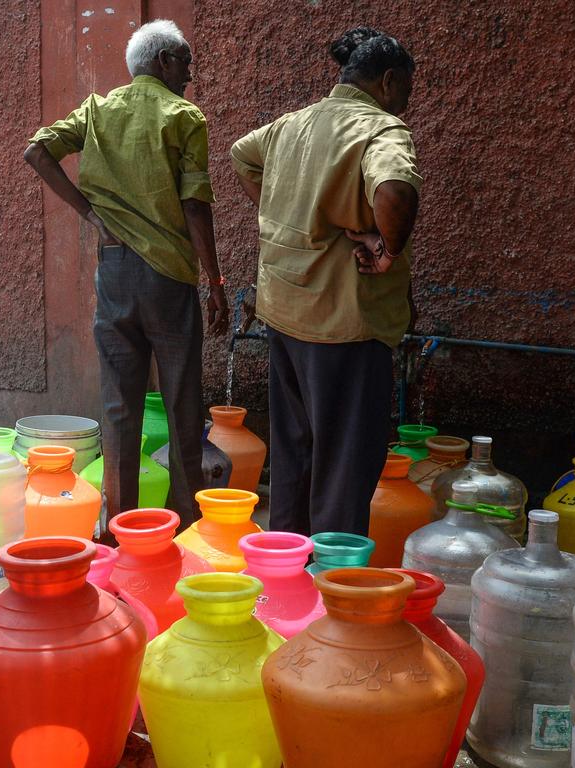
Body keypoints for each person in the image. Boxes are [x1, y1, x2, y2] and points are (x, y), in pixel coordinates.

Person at [24, 19, 227, 533]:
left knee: (119, 409)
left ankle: (121, 530)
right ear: (162, 62)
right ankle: (185, 526)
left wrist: (89, 214)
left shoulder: (97, 110)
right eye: (184, 61)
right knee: (183, 404)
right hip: (169, 277)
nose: (190, 73)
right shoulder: (184, 116)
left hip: (113, 273)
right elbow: (195, 205)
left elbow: (37, 151)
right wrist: (217, 282)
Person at [230, 27, 421, 537]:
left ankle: (286, 568)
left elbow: (240, 155)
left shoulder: (292, 125)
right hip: (346, 323)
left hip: (285, 313)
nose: (406, 103)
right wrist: (387, 247)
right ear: (387, 81)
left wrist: (283, 213)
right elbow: (396, 193)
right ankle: (332, 589)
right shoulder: (381, 130)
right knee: (345, 464)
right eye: (406, 90)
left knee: (295, 454)